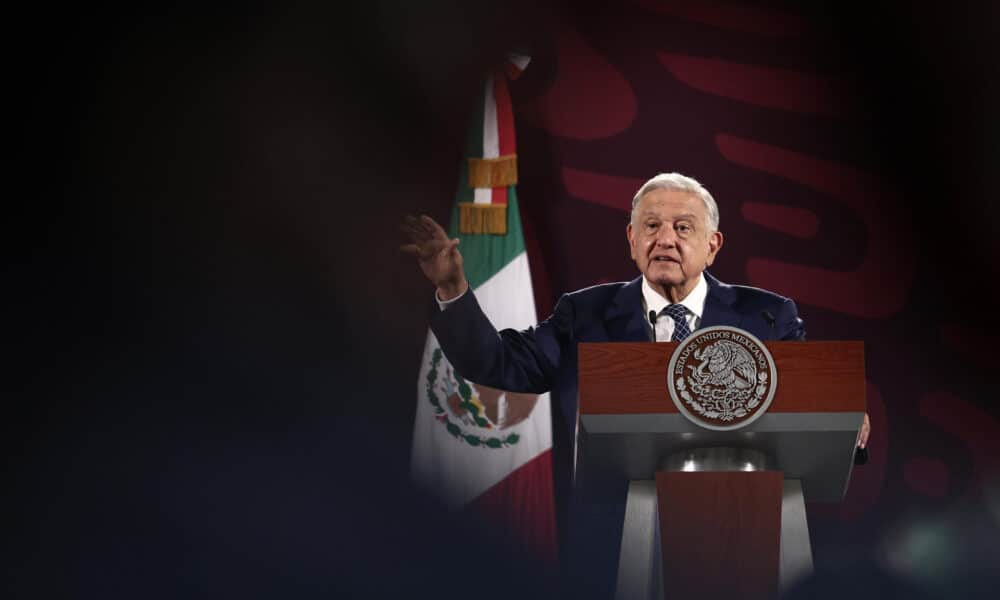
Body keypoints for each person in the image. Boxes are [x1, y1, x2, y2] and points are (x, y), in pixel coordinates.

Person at [402, 172, 870, 593]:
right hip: (617, 540)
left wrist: (847, 417)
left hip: (745, 532)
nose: (665, 239)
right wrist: (452, 290)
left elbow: (807, 399)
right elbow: (497, 363)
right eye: (651, 226)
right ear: (631, 238)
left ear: (713, 244)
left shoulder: (767, 315)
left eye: (683, 227)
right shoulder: (583, 315)